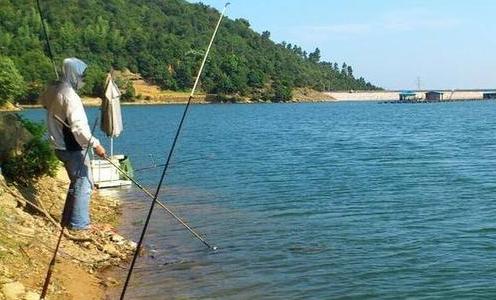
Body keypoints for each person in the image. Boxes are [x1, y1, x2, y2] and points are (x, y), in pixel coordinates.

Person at [39, 58, 106, 231]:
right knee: (84, 183)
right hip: (71, 148)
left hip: (58, 146)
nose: (83, 79)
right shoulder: (70, 96)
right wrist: (96, 145)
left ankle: (67, 220)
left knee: (76, 182)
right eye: (82, 76)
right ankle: (79, 225)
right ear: (74, 74)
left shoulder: (52, 89)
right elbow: (79, 128)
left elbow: (44, 103)